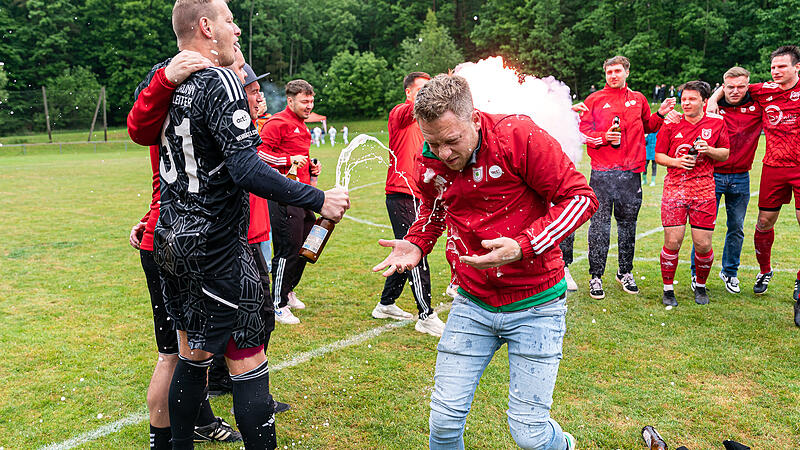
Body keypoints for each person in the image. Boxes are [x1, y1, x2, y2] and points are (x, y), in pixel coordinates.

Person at [153, 1, 349, 448]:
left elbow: (141, 127)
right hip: (217, 244)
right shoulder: (219, 79)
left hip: (172, 237)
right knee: (246, 357)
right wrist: (319, 197)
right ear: (206, 27)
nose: (237, 29)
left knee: (194, 356)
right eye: (228, 20)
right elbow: (245, 167)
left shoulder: (164, 76)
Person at [374, 74, 597, 450]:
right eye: (433, 143)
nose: (443, 153)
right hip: (472, 302)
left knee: (529, 435)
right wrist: (417, 242)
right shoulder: (429, 157)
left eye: (452, 140)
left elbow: (579, 198)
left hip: (536, 303)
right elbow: (434, 207)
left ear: (474, 118)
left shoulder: (518, 136)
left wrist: (524, 245)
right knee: (443, 422)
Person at [128, 49, 244, 448]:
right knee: (176, 356)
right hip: (177, 242)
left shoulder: (185, 107)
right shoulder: (182, 103)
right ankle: (166, 441)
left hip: (170, 235)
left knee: (190, 351)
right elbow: (138, 126)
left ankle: (200, 419)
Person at [709, 46, 800, 318]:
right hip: (772, 167)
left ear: (797, 68)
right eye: (773, 67)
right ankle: (764, 271)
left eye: (782, 66)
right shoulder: (763, 90)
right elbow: (730, 87)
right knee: (762, 224)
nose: (776, 71)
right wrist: (713, 98)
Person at [579, 55, 676, 299]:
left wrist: (661, 115)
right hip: (602, 173)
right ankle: (596, 276)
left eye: (618, 71)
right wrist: (603, 138)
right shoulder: (594, 100)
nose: (613, 75)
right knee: (599, 226)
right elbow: (582, 133)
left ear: (627, 72)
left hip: (632, 173)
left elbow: (649, 126)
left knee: (628, 225)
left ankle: (625, 272)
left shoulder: (638, 98)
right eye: (609, 72)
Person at [373, 71, 445, 337]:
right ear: (408, 93)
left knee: (405, 251)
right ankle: (426, 315)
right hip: (401, 193)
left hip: (420, 194)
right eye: (422, 89)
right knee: (417, 249)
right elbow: (415, 108)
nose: (427, 94)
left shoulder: (427, 122)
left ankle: (385, 304)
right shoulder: (400, 113)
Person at [655, 81, 730, 306]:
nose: (686, 103)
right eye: (684, 99)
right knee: (673, 241)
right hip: (675, 190)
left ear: (704, 102)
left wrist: (709, 150)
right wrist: (677, 161)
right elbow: (659, 156)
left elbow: (725, 153)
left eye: (692, 99)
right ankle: (668, 289)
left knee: (703, 244)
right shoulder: (671, 123)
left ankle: (700, 286)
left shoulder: (716, 123)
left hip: (704, 190)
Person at [690, 67, 762, 295]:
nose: (735, 91)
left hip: (741, 176)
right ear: (723, 86)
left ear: (748, 85)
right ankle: (696, 272)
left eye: (741, 86)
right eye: (730, 86)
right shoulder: (712, 108)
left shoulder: (757, 106)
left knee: (737, 227)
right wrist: (714, 98)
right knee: (703, 227)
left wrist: (716, 95)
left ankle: (730, 272)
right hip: (712, 175)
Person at [257, 79, 322, 325]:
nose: (309, 106)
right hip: (283, 196)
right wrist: (287, 159)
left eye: (311, 101)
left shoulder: (302, 126)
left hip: (303, 194)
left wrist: (312, 169)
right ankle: (278, 303)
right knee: (288, 248)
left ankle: (289, 289)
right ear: (291, 100)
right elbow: (260, 154)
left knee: (308, 246)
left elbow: (300, 161)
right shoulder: (278, 123)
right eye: (304, 101)